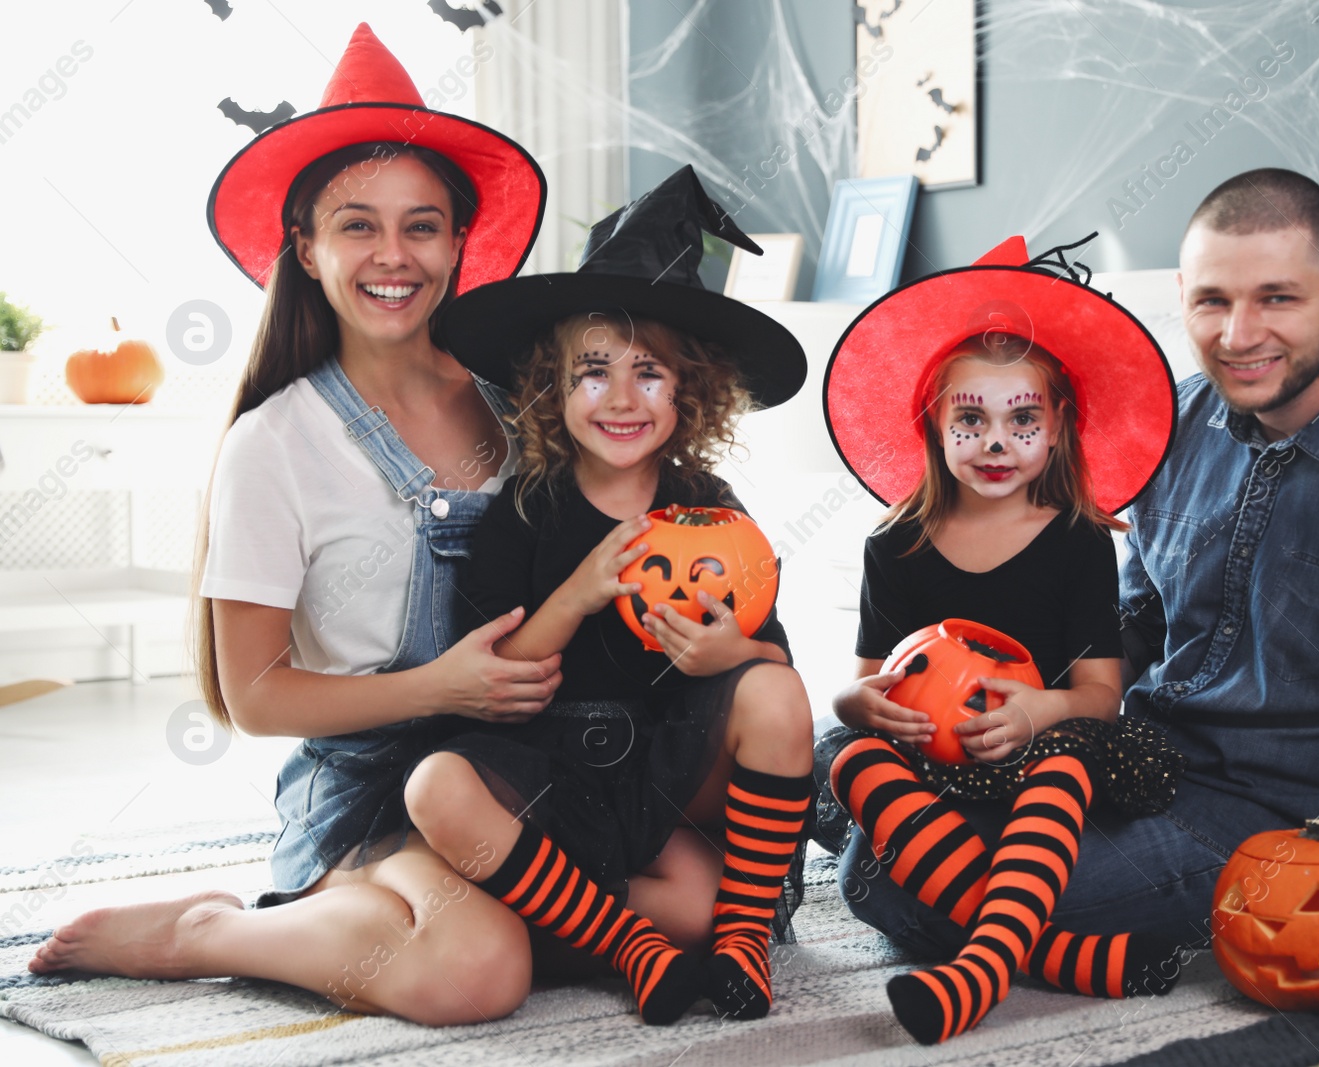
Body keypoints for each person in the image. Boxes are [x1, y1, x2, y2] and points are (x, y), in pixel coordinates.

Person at [831, 169, 1319, 1016]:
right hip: (1122, 757)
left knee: (898, 882)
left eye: (1279, 298)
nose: (1240, 334)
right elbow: (1134, 620)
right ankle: (1092, 948)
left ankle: (1076, 943)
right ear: (1182, 296)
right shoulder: (1173, 425)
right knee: (845, 766)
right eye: (1213, 301)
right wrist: (1031, 698)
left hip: (1260, 822)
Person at [29, 25, 580, 1025]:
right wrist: (441, 684)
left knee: (697, 903)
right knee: (477, 971)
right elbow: (256, 695)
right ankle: (209, 930)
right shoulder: (274, 443)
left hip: (518, 771)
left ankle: (371, 922)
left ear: (459, 242)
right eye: (356, 225)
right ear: (307, 247)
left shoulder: (523, 406)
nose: (392, 255)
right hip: (367, 799)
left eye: (422, 225)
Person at [399, 166, 816, 1027]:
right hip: (555, 777)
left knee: (773, 697)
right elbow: (494, 683)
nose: (621, 397)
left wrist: (728, 654)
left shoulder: (710, 502)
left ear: (689, 388)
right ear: (553, 387)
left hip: (668, 779)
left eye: (650, 373)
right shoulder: (525, 510)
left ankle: (737, 935)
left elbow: (773, 661)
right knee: (435, 786)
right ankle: (627, 942)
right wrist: (580, 592)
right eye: (593, 372)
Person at [818, 236, 1186, 1044]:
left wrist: (1033, 713)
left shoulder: (1079, 541)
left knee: (1069, 756)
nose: (995, 441)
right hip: (928, 761)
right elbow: (860, 686)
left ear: (1058, 429)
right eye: (971, 419)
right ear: (934, 424)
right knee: (846, 758)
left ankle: (977, 972)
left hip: (1035, 751)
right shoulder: (897, 547)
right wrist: (864, 707)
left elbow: (1099, 693)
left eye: (1022, 419)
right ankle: (1071, 958)